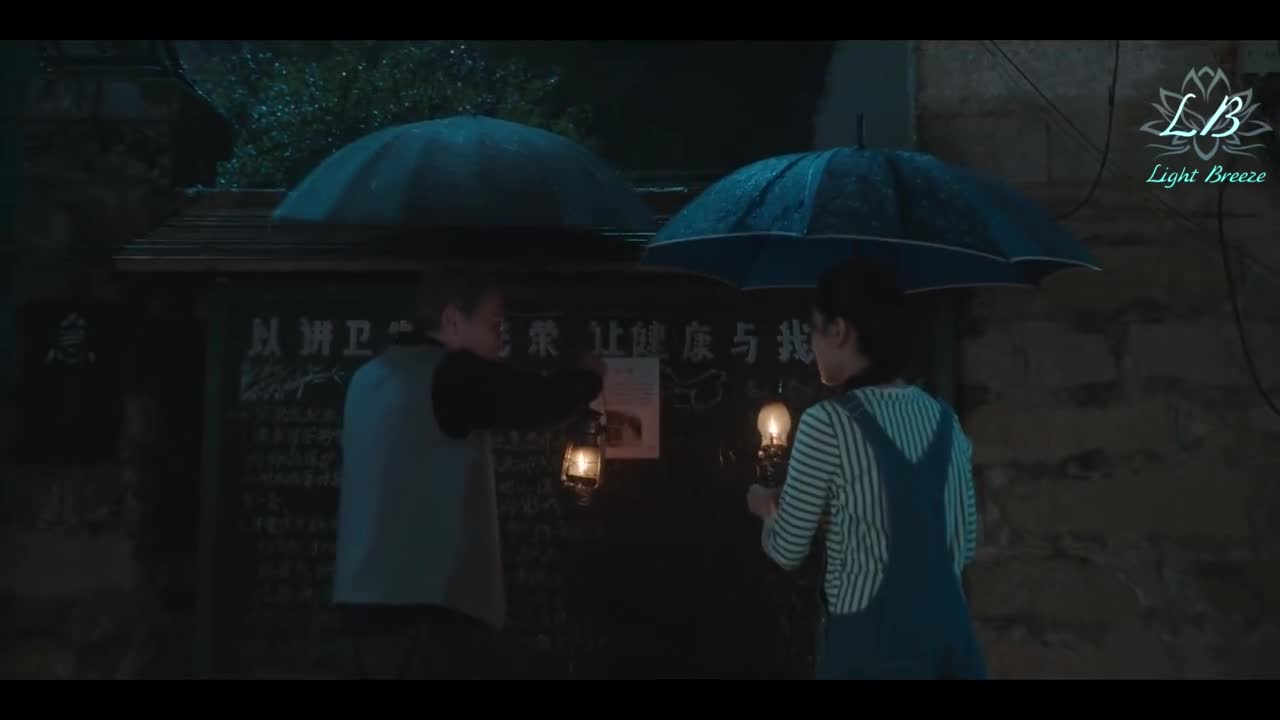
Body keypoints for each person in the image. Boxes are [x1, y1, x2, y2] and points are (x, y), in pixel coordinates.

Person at [332, 271, 604, 680]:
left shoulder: (366, 378)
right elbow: (536, 402)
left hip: (359, 610)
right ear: (453, 321)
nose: (500, 344)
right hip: (430, 613)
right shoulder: (449, 373)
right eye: (494, 325)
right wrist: (588, 377)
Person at [745, 259, 985, 680]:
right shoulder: (945, 420)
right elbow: (964, 545)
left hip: (870, 652)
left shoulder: (827, 422)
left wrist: (764, 504)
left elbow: (788, 547)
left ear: (839, 330)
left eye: (813, 330)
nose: (812, 346)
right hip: (948, 650)